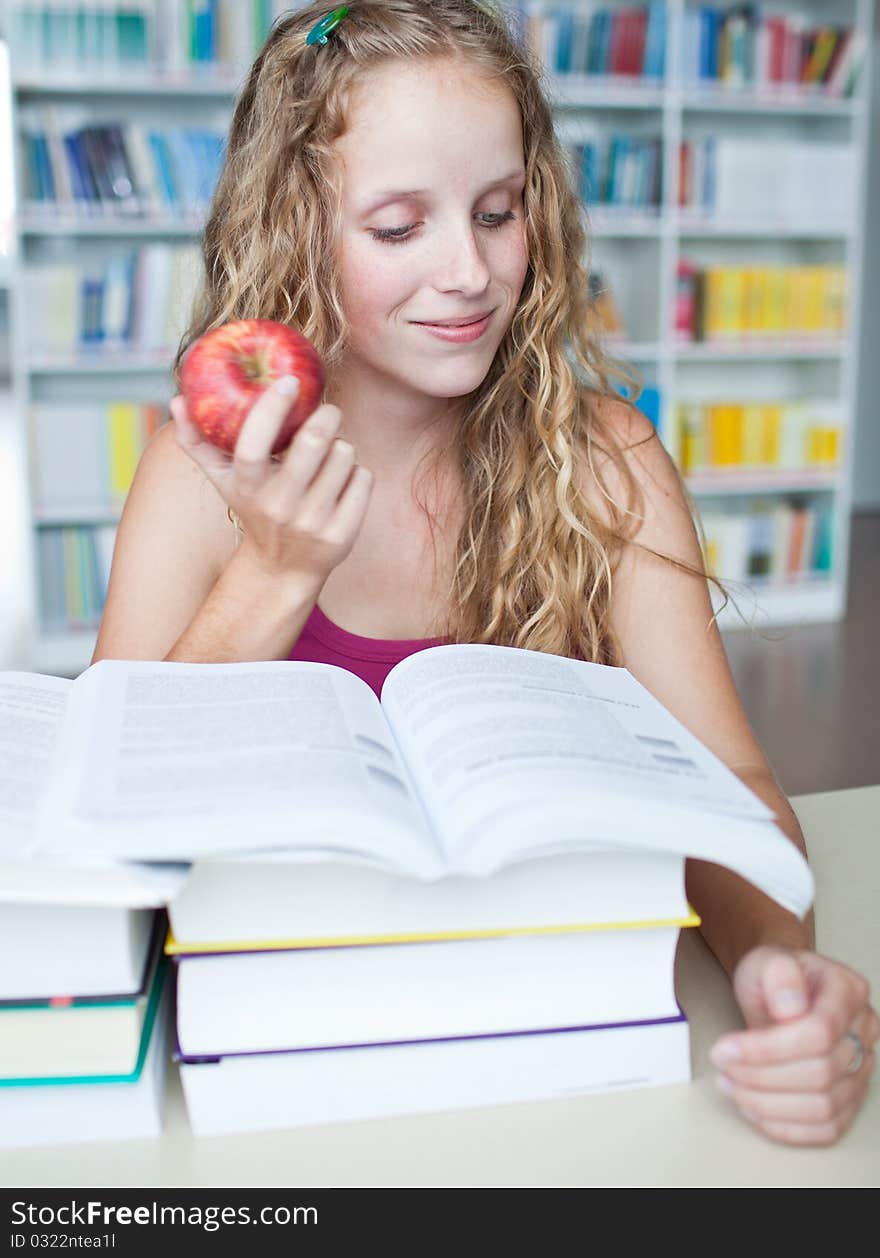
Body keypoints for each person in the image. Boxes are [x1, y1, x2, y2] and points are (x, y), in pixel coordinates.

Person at [91, 0, 877, 1146]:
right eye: (399, 227)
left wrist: (773, 964)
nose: (468, 273)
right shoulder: (199, 471)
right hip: (283, 1072)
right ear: (296, 227)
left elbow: (736, 790)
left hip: (563, 1051)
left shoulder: (607, 463)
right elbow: (107, 837)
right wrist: (272, 575)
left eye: (498, 213)